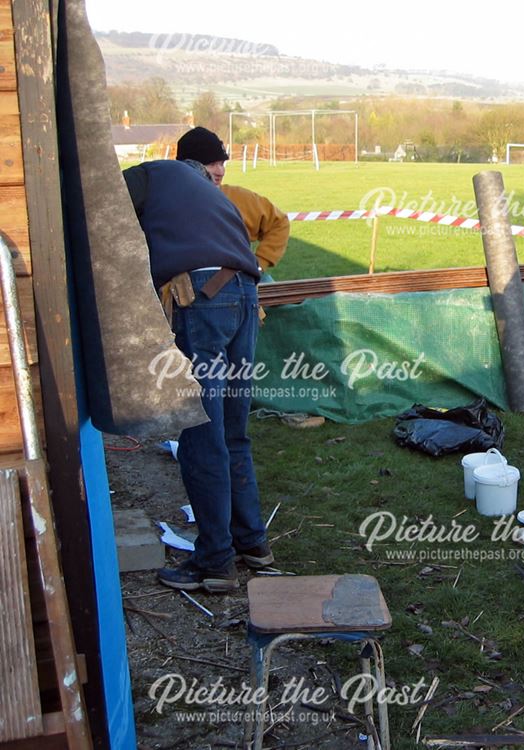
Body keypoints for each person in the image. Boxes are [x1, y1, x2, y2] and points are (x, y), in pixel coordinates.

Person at [123, 158, 273, 592]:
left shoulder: (147, 176)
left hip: (205, 297)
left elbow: (109, 225)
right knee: (231, 432)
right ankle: (252, 544)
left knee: (200, 433)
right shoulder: (205, 189)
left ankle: (213, 561)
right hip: (245, 295)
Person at [176, 126, 290, 279]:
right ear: (188, 166)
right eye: (211, 164)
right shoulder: (164, 201)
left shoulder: (237, 198)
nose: (220, 171)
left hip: (238, 291)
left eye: (222, 163)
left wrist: (259, 264)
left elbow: (279, 223)